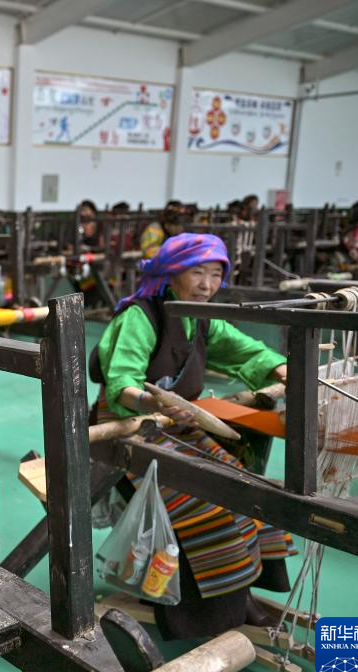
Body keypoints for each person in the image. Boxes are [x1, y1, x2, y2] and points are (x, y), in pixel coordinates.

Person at [90, 233, 296, 640]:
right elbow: (122, 382)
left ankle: (240, 596)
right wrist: (152, 402)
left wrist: (284, 370)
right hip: (126, 434)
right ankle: (209, 613)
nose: (207, 284)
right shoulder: (140, 316)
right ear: (171, 273)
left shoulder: (201, 317)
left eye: (216, 274)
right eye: (197, 272)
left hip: (175, 425)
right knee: (209, 507)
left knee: (246, 488)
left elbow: (245, 351)